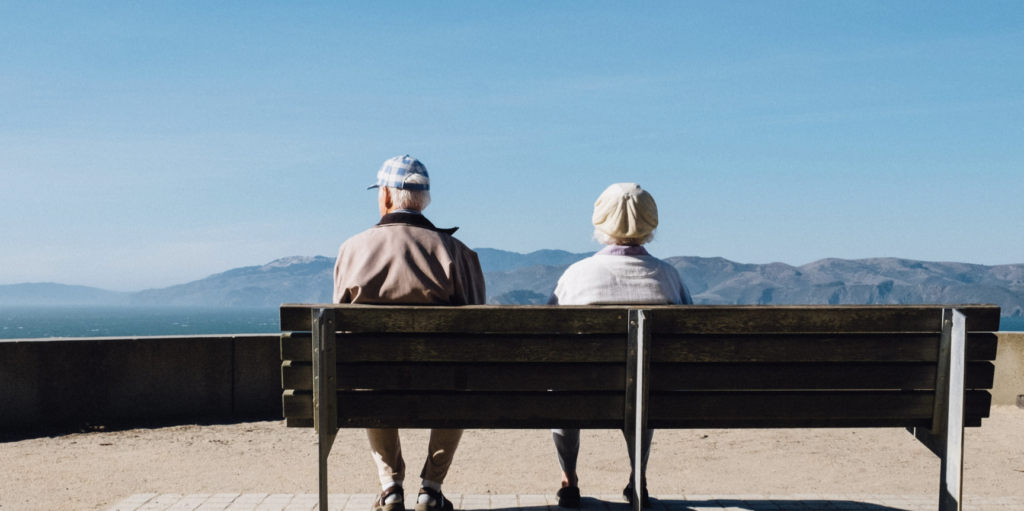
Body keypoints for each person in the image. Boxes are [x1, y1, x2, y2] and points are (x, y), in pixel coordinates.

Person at [333, 155, 486, 511]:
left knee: (368, 375)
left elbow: (339, 328)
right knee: (459, 379)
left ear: (386, 196)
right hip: (442, 383)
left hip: (376, 384)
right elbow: (480, 327)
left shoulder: (352, 249)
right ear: (424, 200)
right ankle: (431, 488)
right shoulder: (457, 253)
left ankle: (390, 487)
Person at [548, 183, 692, 509]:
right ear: (650, 223)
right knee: (643, 387)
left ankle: (569, 480)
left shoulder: (576, 276)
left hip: (583, 393)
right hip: (650, 396)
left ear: (600, 222)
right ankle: (637, 476)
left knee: (563, 388)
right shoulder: (669, 277)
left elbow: (549, 340)